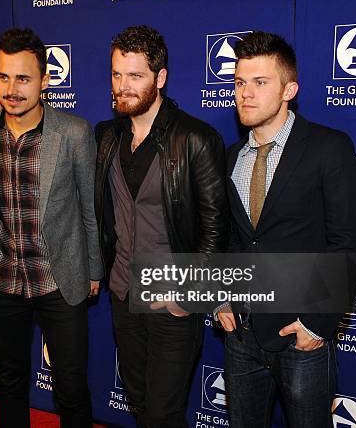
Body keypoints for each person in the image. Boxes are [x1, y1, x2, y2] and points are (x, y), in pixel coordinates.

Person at [215, 31, 356, 427]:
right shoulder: (231, 157)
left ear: (288, 89)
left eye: (260, 83)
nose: (245, 93)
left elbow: (346, 244)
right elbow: (234, 238)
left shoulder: (329, 147)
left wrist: (316, 323)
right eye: (240, 83)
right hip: (242, 335)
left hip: (302, 335)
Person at [0, 28, 103, 428]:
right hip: (2, 280)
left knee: (71, 388)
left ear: (44, 80)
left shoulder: (73, 132)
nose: (12, 89)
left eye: (23, 78)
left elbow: (89, 207)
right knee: (9, 383)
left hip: (60, 280)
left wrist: (94, 269)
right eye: (3, 77)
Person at [94, 25, 229, 427]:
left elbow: (215, 229)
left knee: (164, 413)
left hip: (172, 302)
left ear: (160, 78)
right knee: (138, 403)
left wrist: (186, 296)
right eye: (117, 74)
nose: (123, 86)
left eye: (135, 76)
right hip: (122, 295)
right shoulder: (105, 136)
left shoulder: (195, 139)